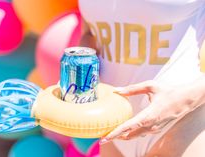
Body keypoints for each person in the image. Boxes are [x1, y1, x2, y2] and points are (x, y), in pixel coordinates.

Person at [78, 0, 205, 156]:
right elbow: (90, 33)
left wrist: (184, 101)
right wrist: (78, 79)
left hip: (181, 126)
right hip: (114, 134)